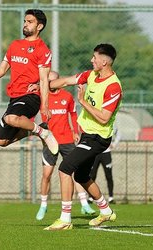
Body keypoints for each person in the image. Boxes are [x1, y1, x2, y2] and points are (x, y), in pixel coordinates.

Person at [44, 43, 122, 230]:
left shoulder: (114, 86)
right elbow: (64, 82)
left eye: (94, 57)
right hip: (87, 135)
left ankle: (65, 220)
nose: (91, 60)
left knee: (65, 168)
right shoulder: (91, 75)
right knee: (81, 176)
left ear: (104, 61)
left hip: (98, 138)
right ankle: (106, 211)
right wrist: (41, 86)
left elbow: (104, 118)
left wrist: (82, 102)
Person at [0, 9, 58, 154]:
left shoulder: (42, 50)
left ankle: (44, 133)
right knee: (2, 141)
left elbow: (44, 79)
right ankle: (36, 130)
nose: (25, 24)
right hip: (14, 97)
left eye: (30, 22)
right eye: (25, 21)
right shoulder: (15, 45)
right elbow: (2, 69)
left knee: (11, 118)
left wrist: (44, 105)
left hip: (31, 97)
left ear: (39, 27)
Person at [35, 71, 95, 221]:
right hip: (51, 141)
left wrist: (76, 131)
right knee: (46, 175)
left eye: (54, 81)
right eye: (48, 81)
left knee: (75, 172)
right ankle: (43, 205)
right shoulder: (42, 97)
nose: (51, 84)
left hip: (67, 140)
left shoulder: (67, 96)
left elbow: (73, 114)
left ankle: (84, 203)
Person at [89, 126, 120, 204]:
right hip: (95, 154)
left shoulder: (110, 124)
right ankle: (90, 197)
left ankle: (111, 197)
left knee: (109, 175)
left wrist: (114, 144)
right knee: (92, 175)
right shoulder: (94, 122)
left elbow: (118, 134)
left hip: (106, 154)